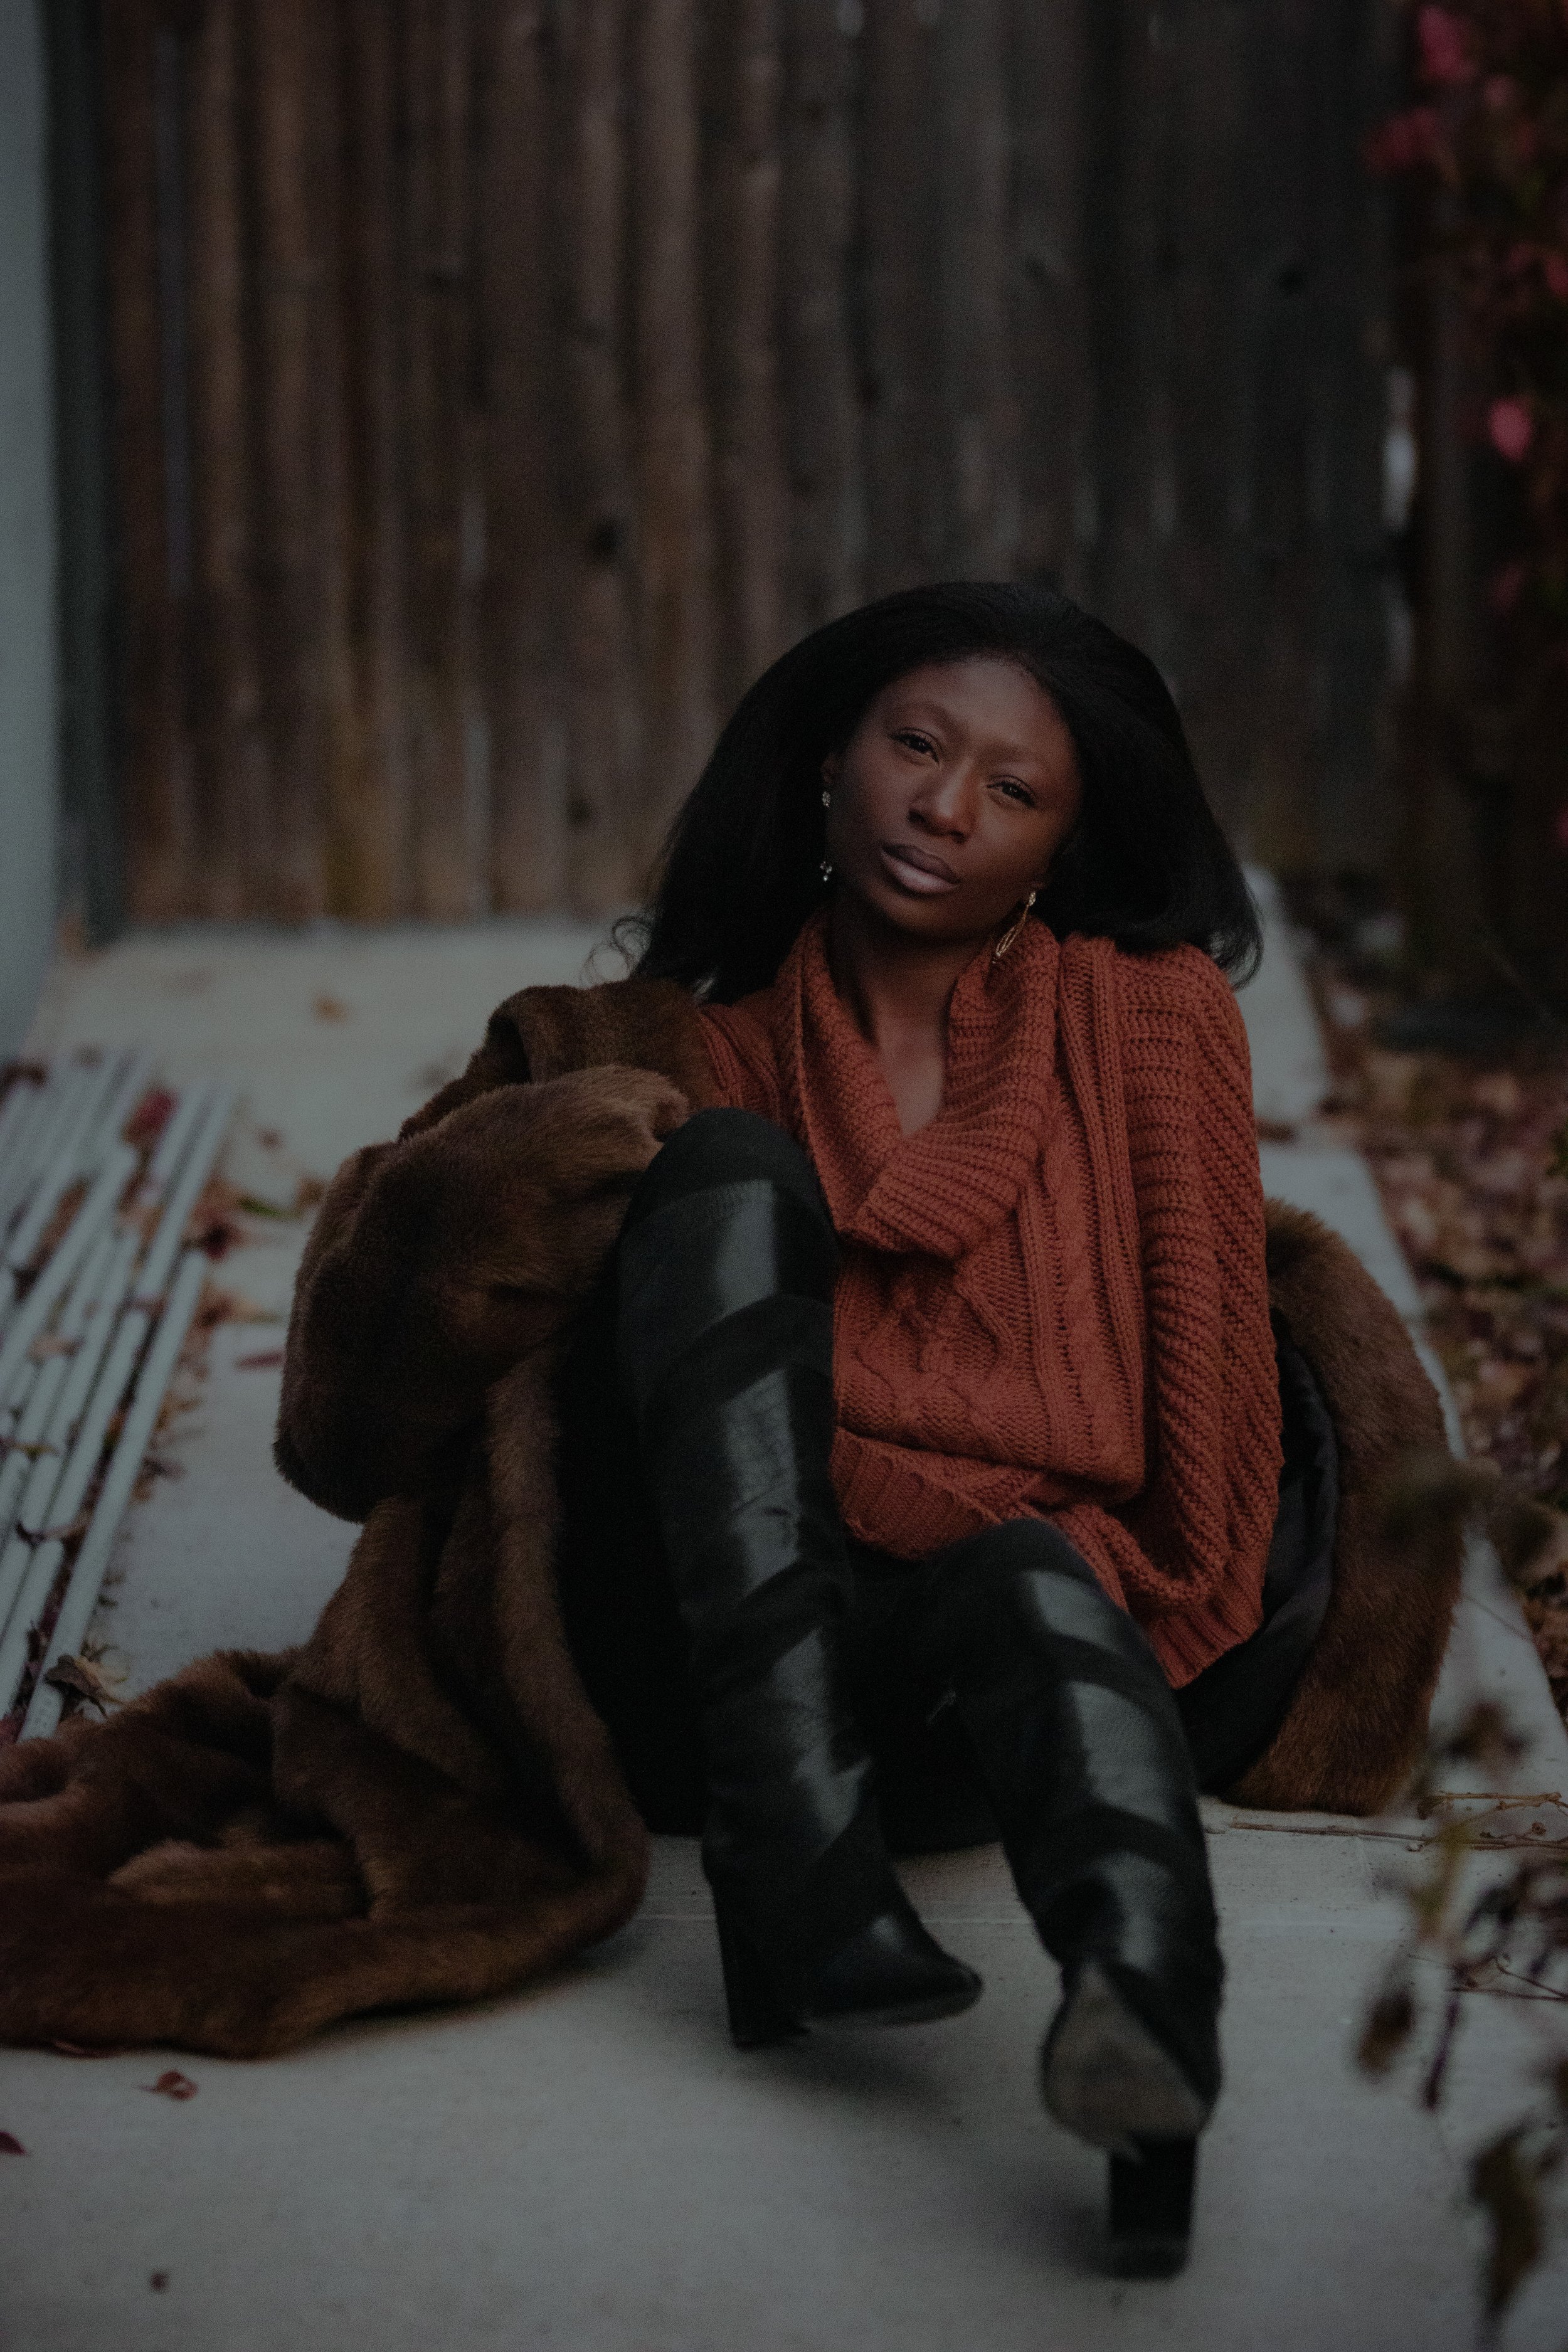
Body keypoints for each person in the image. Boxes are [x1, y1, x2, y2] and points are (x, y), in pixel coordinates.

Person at [542, 583, 1336, 2273]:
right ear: (829, 751)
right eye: (915, 743)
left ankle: (1146, 2040)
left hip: (1018, 1672)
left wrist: (1020, 1557)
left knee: (1031, 1575)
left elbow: (1181, 1439)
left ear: (1064, 836)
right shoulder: (701, 1042)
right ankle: (795, 1844)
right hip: (733, 1666)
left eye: (1011, 787)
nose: (942, 806)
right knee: (722, 1175)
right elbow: (660, 1417)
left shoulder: (1149, 1022)